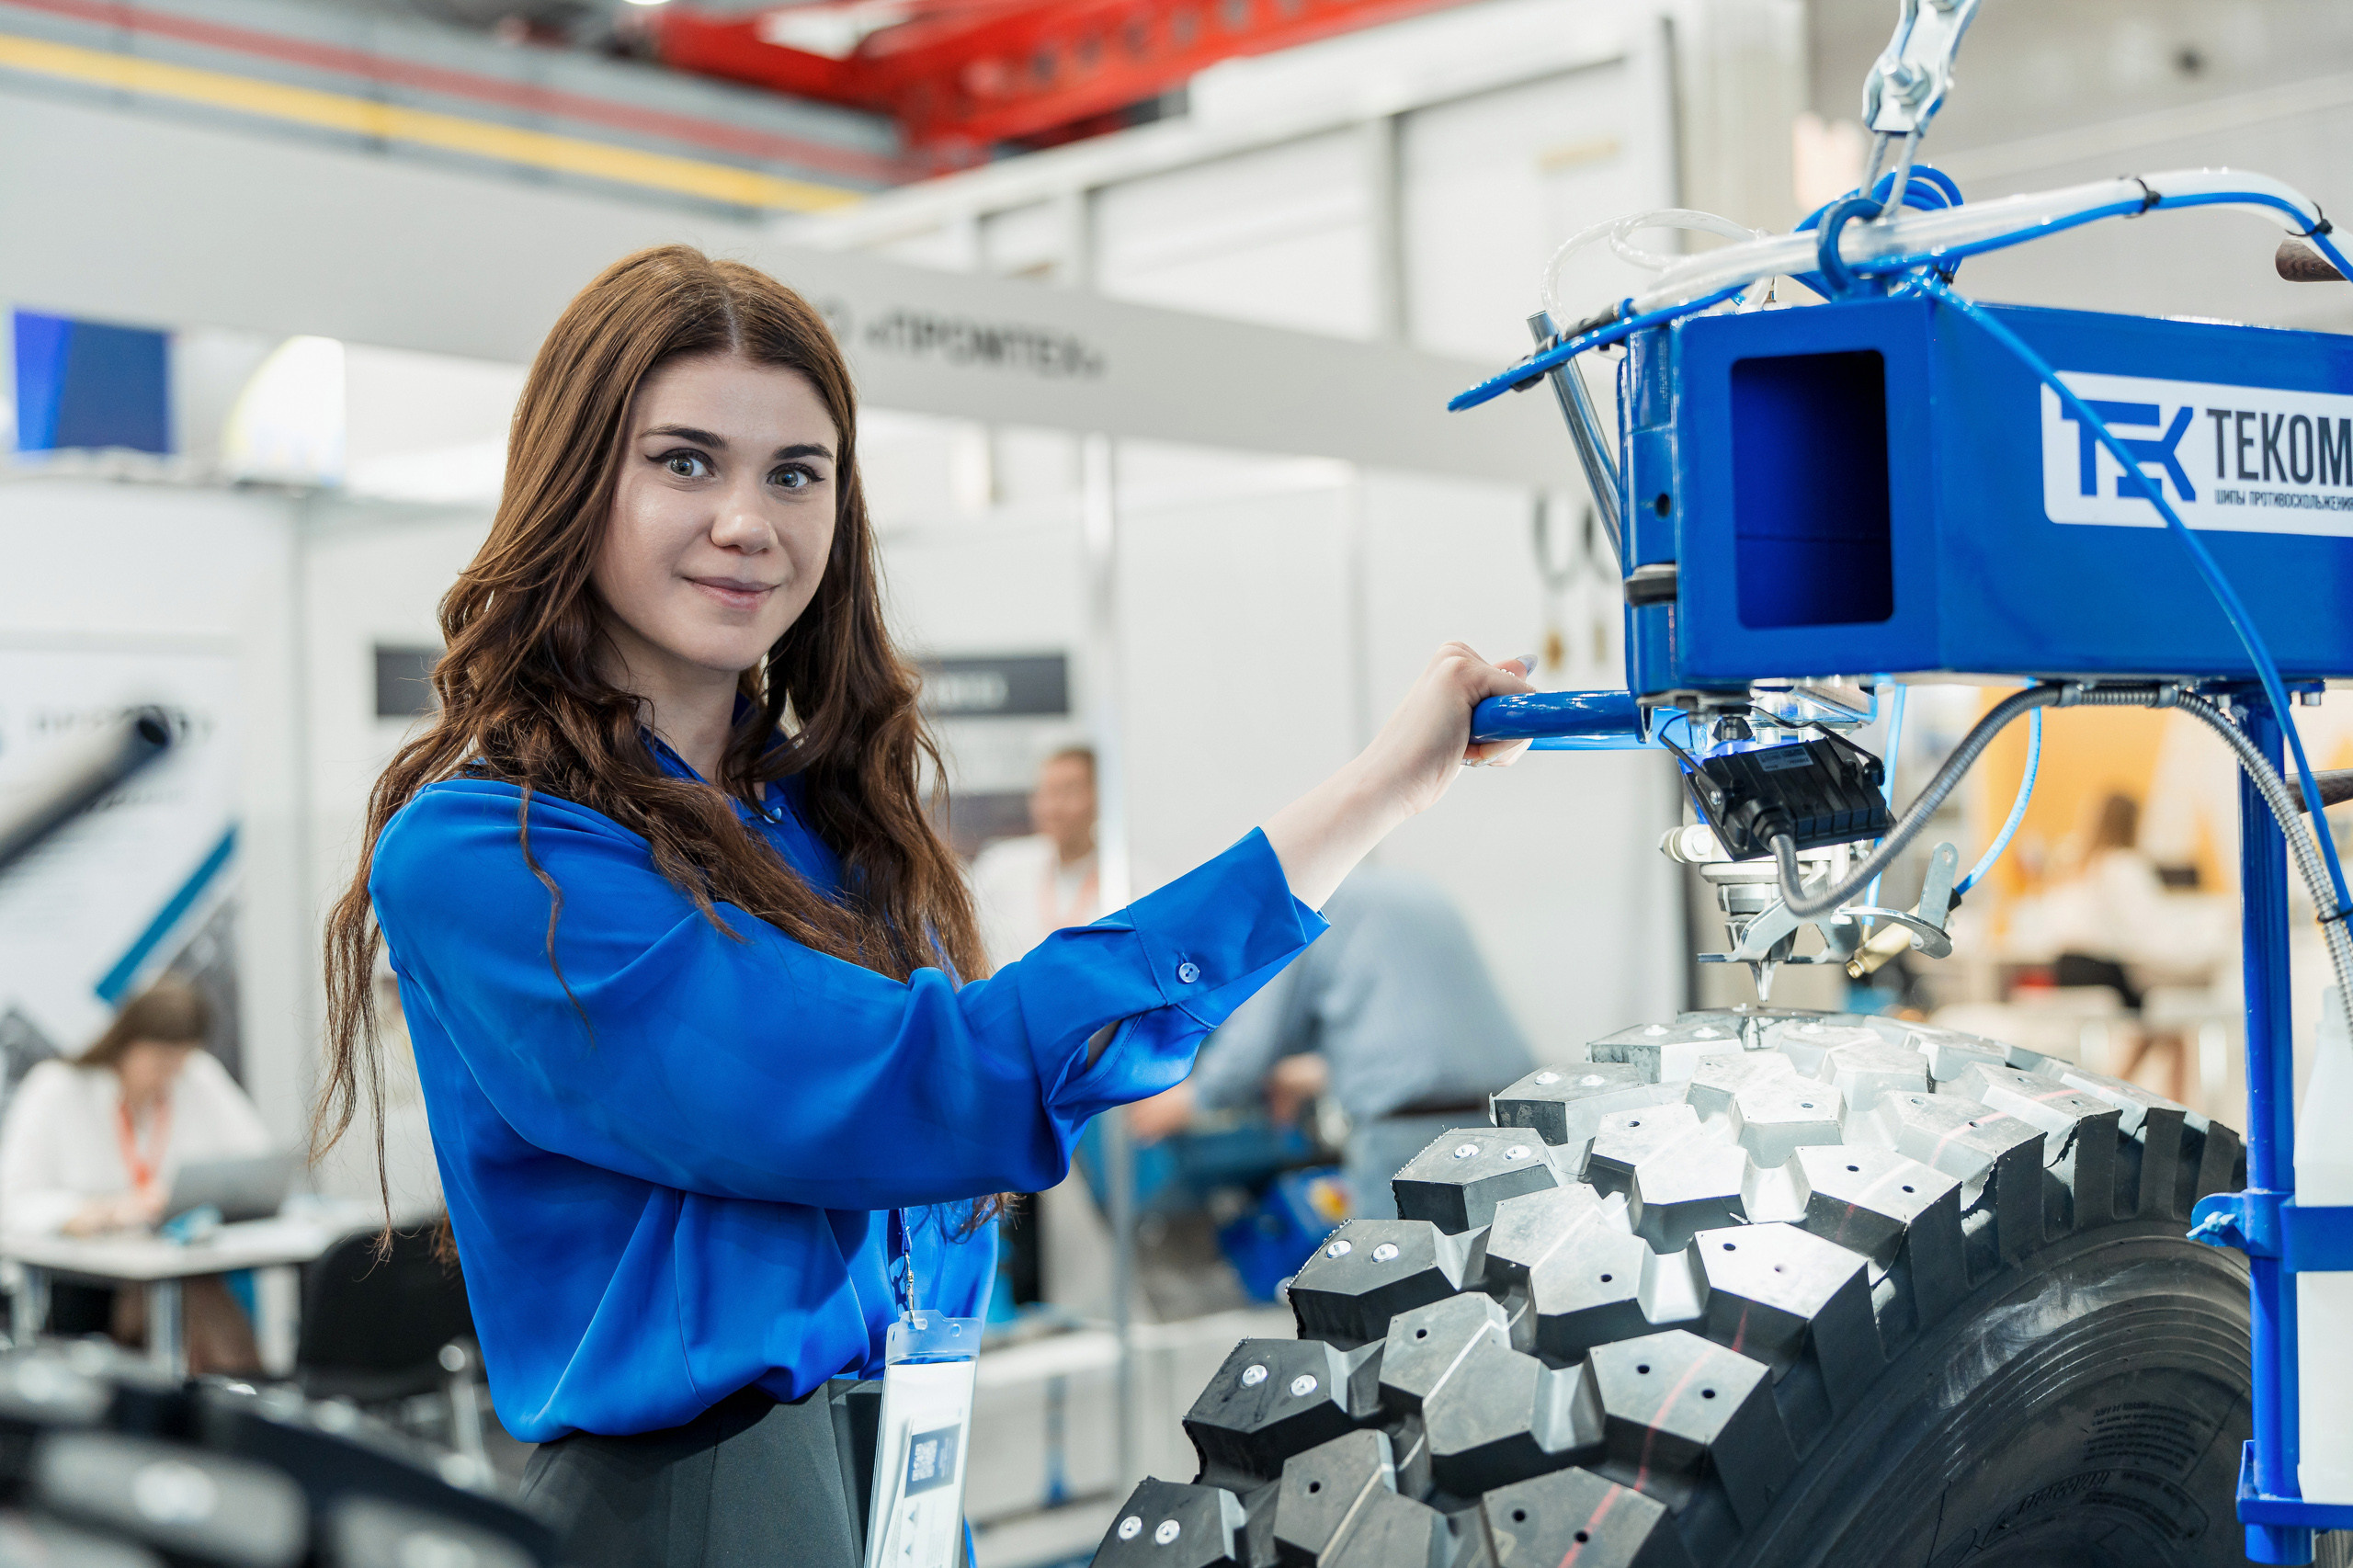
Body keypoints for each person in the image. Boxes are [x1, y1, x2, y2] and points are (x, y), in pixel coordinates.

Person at [311, 244, 1533, 1568]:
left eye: (796, 472)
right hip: (694, 1511)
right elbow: (921, 1088)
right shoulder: (495, 853)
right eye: (683, 461)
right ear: (574, 477)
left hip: (905, 1482)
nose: (747, 520)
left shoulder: (830, 828)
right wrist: (1365, 800)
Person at [1126, 864, 1534, 1219]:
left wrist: (1188, 1100)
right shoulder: (1410, 891)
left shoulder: (1302, 908)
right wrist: (1314, 1074)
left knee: (1405, 1293)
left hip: (1409, 1137)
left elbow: (1251, 1047)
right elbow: (1414, 1022)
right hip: (1508, 1121)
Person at [0, 978, 270, 1372]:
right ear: (125, 1042)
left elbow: (256, 1158)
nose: (171, 1073)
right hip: (83, 1285)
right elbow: (13, 1203)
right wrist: (99, 1213)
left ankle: (231, 1406)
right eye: (161, 1058)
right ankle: (235, 1406)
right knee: (190, 1295)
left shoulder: (195, 1076)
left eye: (181, 1059)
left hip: (169, 1263)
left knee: (194, 1288)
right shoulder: (56, 1089)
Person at [970, 745, 1100, 972]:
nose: (1052, 807)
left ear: (1100, 797)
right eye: (1045, 793)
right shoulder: (1000, 865)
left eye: (1068, 793)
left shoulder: (1129, 879)